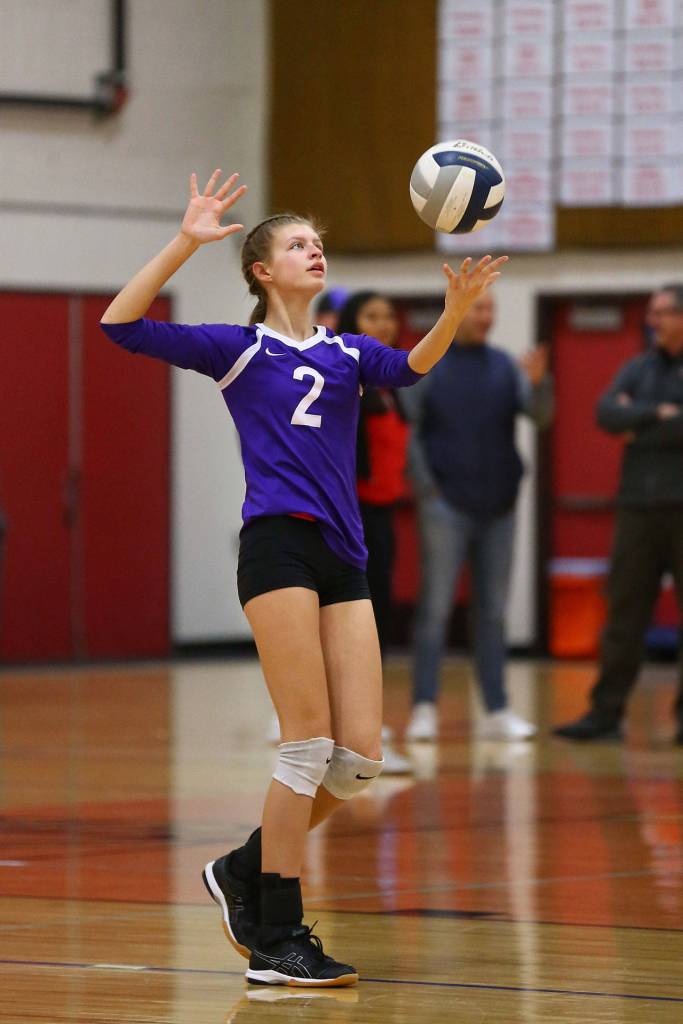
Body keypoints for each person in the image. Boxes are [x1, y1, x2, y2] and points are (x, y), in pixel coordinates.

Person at [99, 168, 506, 987]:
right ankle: (277, 939)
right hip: (278, 548)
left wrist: (455, 313)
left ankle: (243, 868)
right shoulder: (237, 347)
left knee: (357, 760)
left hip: (344, 555)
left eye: (318, 244)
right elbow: (121, 324)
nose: (313, 251)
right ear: (261, 270)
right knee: (307, 743)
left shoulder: (348, 351)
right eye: (296, 244)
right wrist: (186, 239)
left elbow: (410, 369)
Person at [403, 291, 553, 742]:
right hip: (445, 506)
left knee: (493, 613)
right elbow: (410, 430)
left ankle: (496, 709)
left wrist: (541, 383)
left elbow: (540, 415)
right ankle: (424, 707)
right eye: (478, 309)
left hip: (500, 507)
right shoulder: (431, 364)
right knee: (435, 609)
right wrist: (427, 490)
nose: (486, 317)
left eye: (491, 309)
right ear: (458, 313)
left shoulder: (507, 366)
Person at [554, 284, 683, 744]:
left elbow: (634, 421)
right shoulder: (639, 367)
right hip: (637, 509)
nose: (654, 321)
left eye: (663, 313)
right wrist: (660, 414)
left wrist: (639, 421)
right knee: (624, 614)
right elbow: (606, 413)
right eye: (652, 313)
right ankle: (605, 714)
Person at [337, 291, 412, 774]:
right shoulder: (345, 376)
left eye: (389, 316)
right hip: (351, 513)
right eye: (371, 316)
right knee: (355, 624)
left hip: (382, 514)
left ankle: (362, 729)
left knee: (377, 619)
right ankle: (356, 733)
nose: (382, 324)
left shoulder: (387, 384)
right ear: (350, 323)